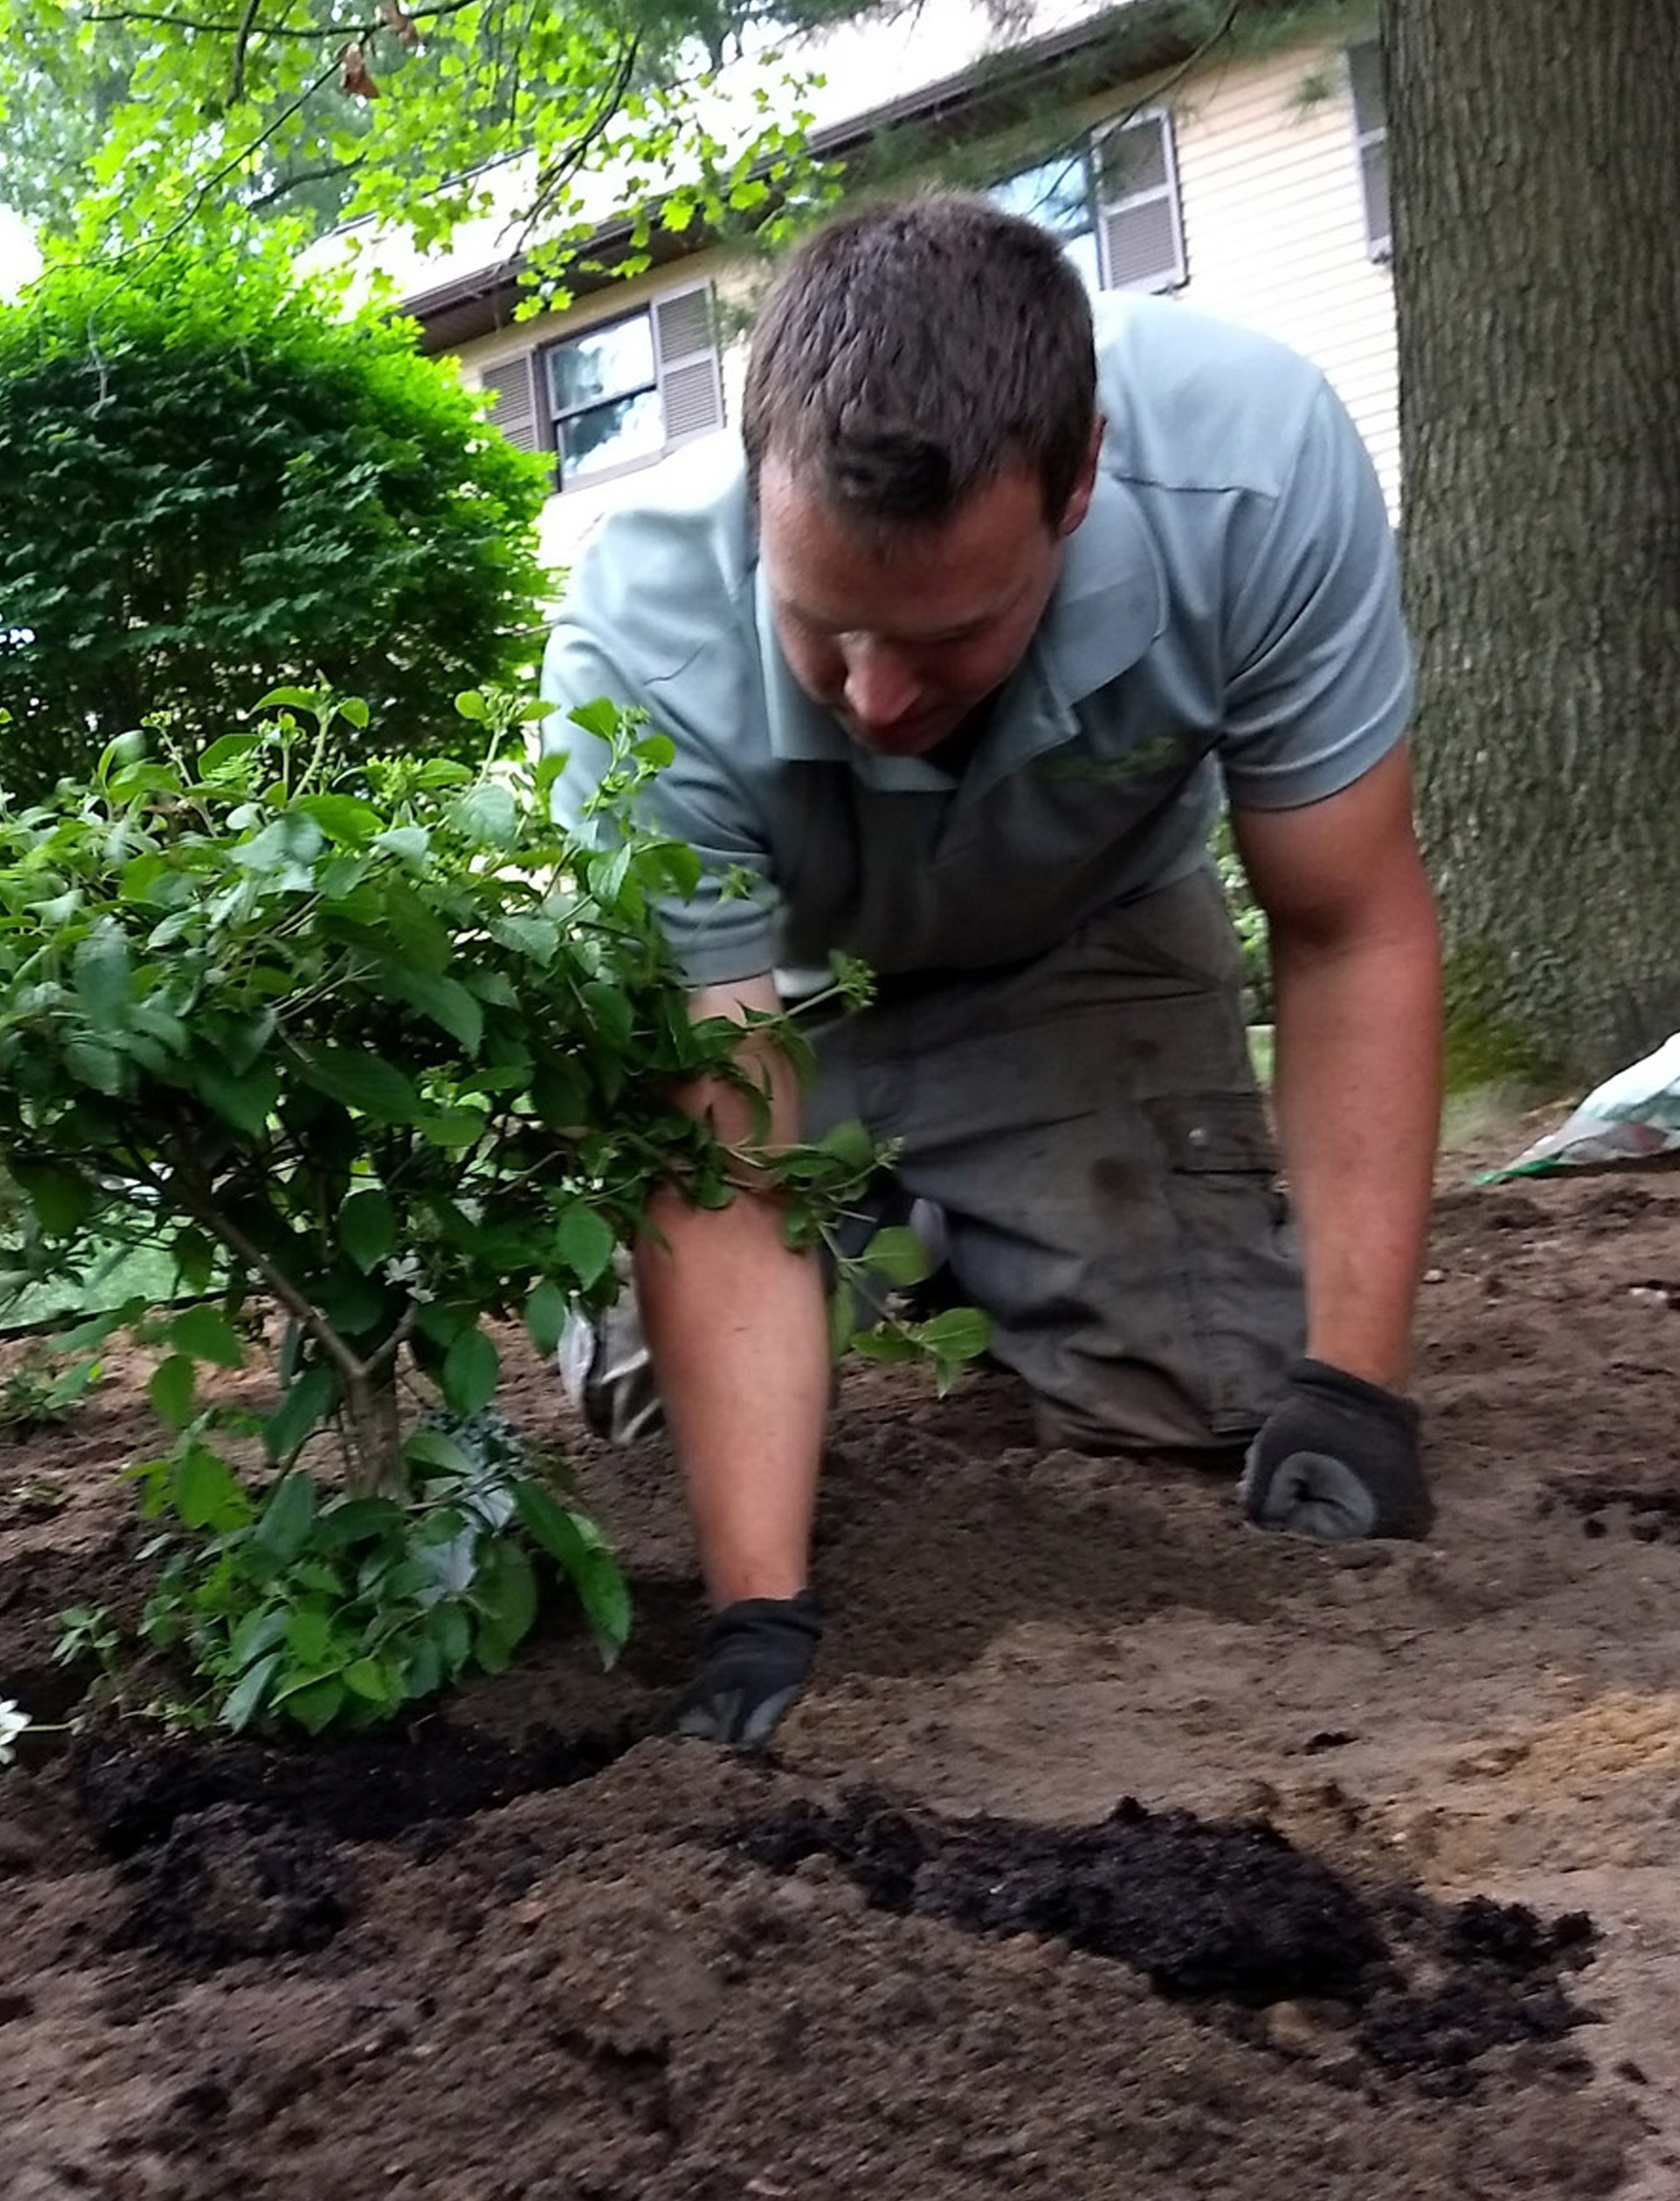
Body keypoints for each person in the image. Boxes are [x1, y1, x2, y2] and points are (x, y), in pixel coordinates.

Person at [540, 194, 1445, 1748]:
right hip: (785, 1001)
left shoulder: (1254, 470)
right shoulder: (639, 653)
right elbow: (725, 1152)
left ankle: (961, 1235)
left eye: (952, 635)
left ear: (1078, 481)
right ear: (763, 483)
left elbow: (1349, 920)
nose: (880, 696)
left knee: (1206, 1400)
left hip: (1079, 951)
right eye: (828, 632)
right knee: (656, 1419)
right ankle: (897, 1240)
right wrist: (763, 1611)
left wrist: (1354, 1387)